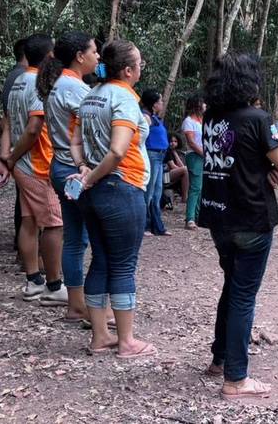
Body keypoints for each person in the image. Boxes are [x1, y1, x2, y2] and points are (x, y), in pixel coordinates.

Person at [197, 53, 278, 399]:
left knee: (232, 285)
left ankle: (220, 358)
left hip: (217, 215)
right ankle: (236, 378)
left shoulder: (210, 117)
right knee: (243, 294)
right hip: (251, 217)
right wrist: (271, 174)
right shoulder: (258, 118)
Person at [72, 38, 154, 357]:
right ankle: (126, 341)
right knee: (123, 265)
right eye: (140, 65)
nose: (140, 70)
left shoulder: (91, 96)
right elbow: (119, 150)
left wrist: (83, 172)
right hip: (122, 187)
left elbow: (75, 143)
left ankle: (100, 337)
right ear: (129, 70)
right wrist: (92, 176)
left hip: (93, 193)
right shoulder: (124, 99)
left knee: (102, 261)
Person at [0, 34, 66, 305]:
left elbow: (7, 123)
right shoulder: (38, 84)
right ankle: (54, 285)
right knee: (54, 223)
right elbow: (34, 129)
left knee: (29, 221)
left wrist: (6, 158)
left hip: (22, 165)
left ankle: (33, 280)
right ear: (49, 57)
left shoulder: (17, 83)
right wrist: (10, 159)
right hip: (38, 164)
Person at [35, 30, 100, 322]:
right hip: (76, 168)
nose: (98, 57)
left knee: (74, 238)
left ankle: (76, 303)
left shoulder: (58, 85)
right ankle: (94, 308)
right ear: (79, 56)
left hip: (60, 166)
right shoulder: (76, 90)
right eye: (94, 52)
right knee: (94, 238)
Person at [0, 38, 28, 254]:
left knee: (24, 201)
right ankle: (25, 248)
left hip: (18, 146)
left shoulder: (14, 76)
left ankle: (21, 244)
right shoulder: (23, 78)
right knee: (27, 205)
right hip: (24, 146)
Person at [141, 90, 171, 236]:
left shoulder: (155, 118)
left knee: (158, 191)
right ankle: (145, 225)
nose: (162, 104)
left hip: (160, 156)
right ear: (154, 104)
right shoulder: (146, 117)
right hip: (151, 154)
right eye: (160, 101)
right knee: (149, 191)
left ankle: (157, 225)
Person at [182, 94, 205, 230]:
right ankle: (190, 218)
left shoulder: (203, 120)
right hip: (194, 155)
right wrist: (204, 153)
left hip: (204, 156)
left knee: (202, 188)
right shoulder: (189, 121)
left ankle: (198, 216)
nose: (205, 105)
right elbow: (191, 142)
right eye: (203, 103)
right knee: (195, 187)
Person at [165, 133, 190, 203]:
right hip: (164, 177)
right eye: (171, 141)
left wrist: (175, 153)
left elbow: (181, 165)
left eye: (175, 141)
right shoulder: (167, 151)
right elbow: (173, 167)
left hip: (170, 176)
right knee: (185, 170)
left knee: (186, 170)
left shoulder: (176, 152)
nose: (173, 143)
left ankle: (185, 196)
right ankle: (185, 198)